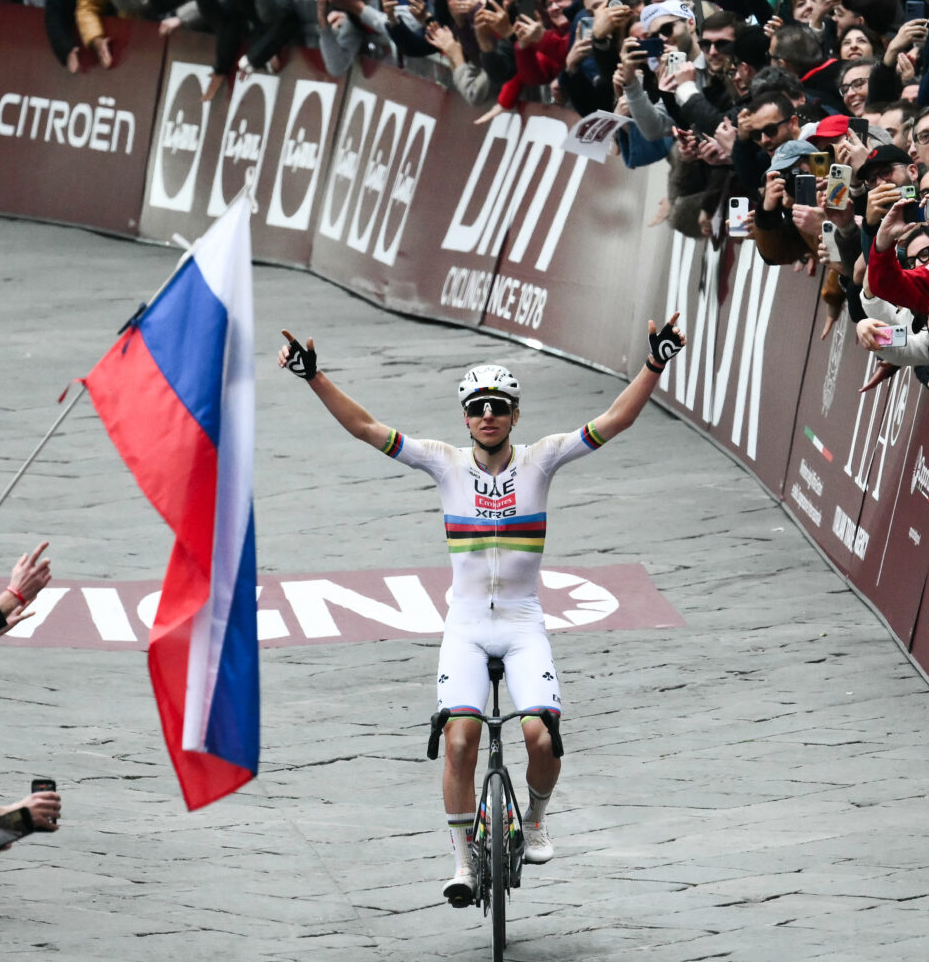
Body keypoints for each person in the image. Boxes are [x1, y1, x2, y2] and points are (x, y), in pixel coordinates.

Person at [274, 315, 687, 906]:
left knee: (541, 738)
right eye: (476, 407)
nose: (487, 414)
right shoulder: (444, 462)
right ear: (464, 418)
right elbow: (366, 428)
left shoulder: (541, 459)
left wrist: (654, 364)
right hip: (466, 625)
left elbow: (615, 421)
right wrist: (315, 377)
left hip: (521, 621)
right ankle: (464, 866)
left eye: (498, 405)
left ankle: (537, 819)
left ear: (515, 415)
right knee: (461, 741)